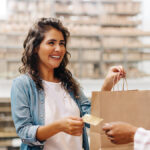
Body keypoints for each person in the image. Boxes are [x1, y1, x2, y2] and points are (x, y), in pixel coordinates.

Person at [11, 17, 125, 150]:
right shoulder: (22, 85)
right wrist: (59, 126)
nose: (59, 49)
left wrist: (107, 86)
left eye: (62, 43)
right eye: (51, 43)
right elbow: (25, 133)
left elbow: (92, 120)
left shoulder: (69, 83)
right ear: (36, 47)